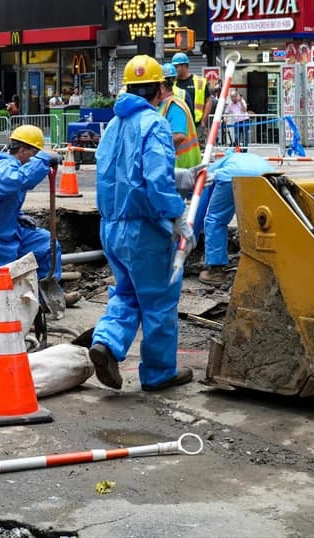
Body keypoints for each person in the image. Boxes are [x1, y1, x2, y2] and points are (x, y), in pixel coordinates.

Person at [89, 55, 196, 393]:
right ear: (160, 89)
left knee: (127, 292)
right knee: (160, 301)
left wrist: (183, 178)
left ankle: (106, 341)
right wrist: (178, 216)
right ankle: (158, 373)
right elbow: (154, 182)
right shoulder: (154, 123)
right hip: (143, 232)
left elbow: (123, 176)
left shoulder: (114, 127)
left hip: (112, 228)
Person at [0, 125, 63, 310]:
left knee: (46, 244)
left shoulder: (14, 167)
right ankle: (4, 309)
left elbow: (3, 199)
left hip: (10, 229)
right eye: (35, 153)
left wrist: (19, 216)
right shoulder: (3, 169)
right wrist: (43, 159)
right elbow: (20, 180)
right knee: (0, 284)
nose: (36, 159)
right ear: (22, 151)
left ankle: (44, 295)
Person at [193, 151, 274, 286]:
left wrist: (193, 234)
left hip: (230, 177)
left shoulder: (216, 166)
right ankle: (262, 265)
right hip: (267, 176)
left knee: (215, 220)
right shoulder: (252, 157)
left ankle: (215, 271)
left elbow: (201, 206)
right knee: (260, 220)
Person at [159, 63, 201, 169]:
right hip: (179, 168)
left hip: (183, 168)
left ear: (161, 87)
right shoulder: (165, 104)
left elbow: (179, 135)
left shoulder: (174, 105)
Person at [171, 52, 213, 128]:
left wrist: (203, 121)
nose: (174, 69)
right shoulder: (172, 83)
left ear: (185, 66)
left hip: (196, 125)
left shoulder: (200, 82)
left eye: (176, 67)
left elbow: (208, 101)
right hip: (178, 125)